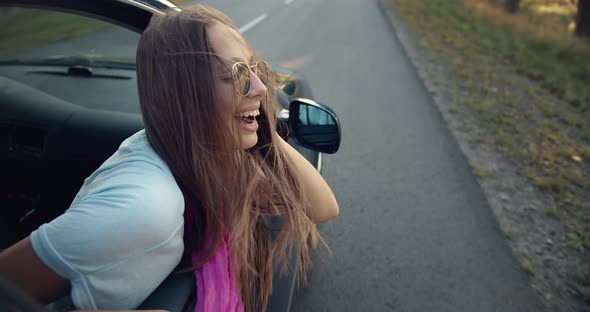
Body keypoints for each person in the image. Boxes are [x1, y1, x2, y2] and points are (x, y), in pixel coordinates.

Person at [0, 4, 339, 312]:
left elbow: (322, 207)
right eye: (234, 74)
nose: (261, 88)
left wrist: (263, 126)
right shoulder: (143, 208)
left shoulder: (213, 157)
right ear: (184, 94)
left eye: (256, 70)